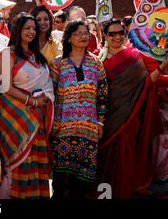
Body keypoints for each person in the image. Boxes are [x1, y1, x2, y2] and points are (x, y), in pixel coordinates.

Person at [95, 18, 168, 199]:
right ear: (105, 36)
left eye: (121, 33)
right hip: (104, 119)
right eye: (112, 34)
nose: (117, 37)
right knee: (105, 160)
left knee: (124, 158)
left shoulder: (135, 56)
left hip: (129, 117)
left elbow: (148, 82)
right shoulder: (96, 57)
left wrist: (163, 67)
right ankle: (104, 194)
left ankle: (121, 193)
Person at [0, 13, 54, 199]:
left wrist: (41, 100)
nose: (31, 31)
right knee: (19, 160)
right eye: (27, 28)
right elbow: (5, 86)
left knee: (36, 160)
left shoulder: (37, 55)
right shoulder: (8, 53)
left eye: (34, 29)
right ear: (17, 30)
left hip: (37, 116)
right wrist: (32, 101)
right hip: (15, 115)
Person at [49, 19, 108, 199]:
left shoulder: (96, 63)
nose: (84, 37)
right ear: (69, 38)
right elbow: (51, 94)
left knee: (83, 181)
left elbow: (102, 96)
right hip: (62, 129)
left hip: (88, 130)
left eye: (86, 33)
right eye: (79, 34)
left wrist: (100, 122)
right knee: (59, 181)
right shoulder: (58, 63)